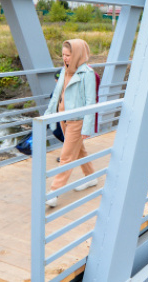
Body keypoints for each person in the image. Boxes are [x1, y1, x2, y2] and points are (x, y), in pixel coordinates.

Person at [43, 39, 98, 207]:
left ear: (77, 55)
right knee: (78, 151)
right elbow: (56, 95)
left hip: (77, 120)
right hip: (63, 119)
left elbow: (90, 102)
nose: (65, 58)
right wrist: (48, 114)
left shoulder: (87, 74)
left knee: (66, 156)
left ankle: (54, 191)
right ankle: (91, 178)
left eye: (68, 55)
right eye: (63, 55)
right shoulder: (65, 70)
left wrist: (87, 126)